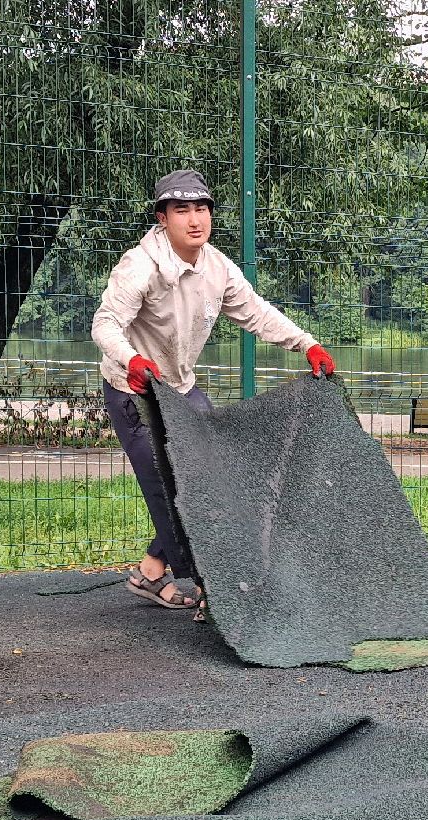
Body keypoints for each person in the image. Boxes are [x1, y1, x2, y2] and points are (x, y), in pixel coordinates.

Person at [91, 168, 337, 611]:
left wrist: (307, 344)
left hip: (181, 389)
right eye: (181, 210)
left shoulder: (218, 267)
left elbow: (257, 313)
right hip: (134, 390)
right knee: (172, 491)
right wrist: (132, 360)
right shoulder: (140, 266)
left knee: (217, 480)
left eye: (201, 208)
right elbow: (105, 324)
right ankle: (214, 588)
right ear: (162, 218)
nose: (194, 219)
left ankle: (151, 571)